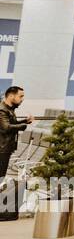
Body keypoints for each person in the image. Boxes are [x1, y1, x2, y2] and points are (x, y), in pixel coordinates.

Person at [1, 86, 33, 221]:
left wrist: (24, 121)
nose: (22, 99)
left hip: (5, 149)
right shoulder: (2, 110)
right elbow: (6, 128)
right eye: (20, 96)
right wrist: (23, 126)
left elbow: (11, 123)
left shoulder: (9, 110)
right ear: (11, 96)